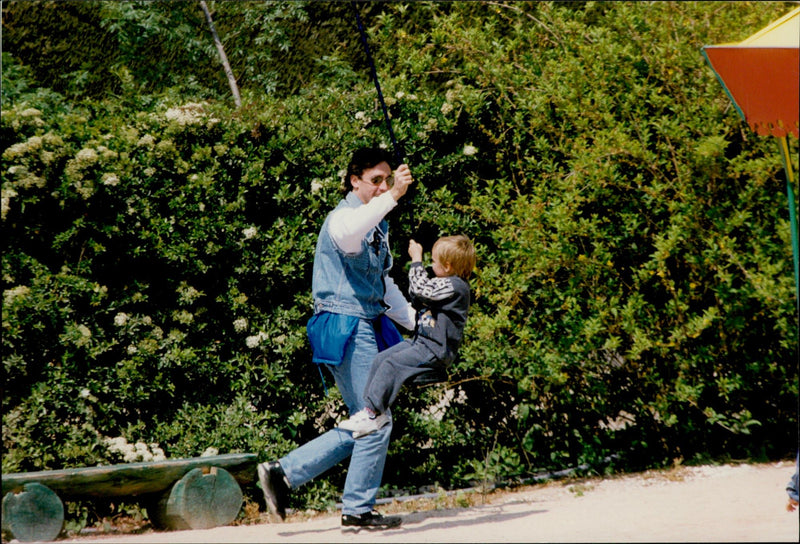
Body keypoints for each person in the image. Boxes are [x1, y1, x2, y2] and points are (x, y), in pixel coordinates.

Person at [257, 146, 416, 531]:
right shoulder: (343, 219)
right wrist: (395, 194)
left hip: (367, 321)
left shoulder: (377, 224)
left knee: (367, 419)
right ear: (354, 181)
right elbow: (350, 232)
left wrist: (416, 322)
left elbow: (381, 283)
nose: (381, 188)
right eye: (375, 181)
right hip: (346, 324)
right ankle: (356, 510)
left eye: (385, 180)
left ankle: (284, 473)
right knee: (375, 418)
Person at [337, 235, 476, 438]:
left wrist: (416, 259)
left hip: (436, 349)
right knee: (381, 359)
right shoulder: (445, 283)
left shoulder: (455, 287)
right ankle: (374, 412)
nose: (431, 265)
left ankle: (371, 412)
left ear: (447, 266)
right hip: (421, 342)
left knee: (392, 365)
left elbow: (420, 289)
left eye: (434, 262)